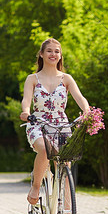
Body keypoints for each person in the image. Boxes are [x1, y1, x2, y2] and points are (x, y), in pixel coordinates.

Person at [20, 38, 89, 205]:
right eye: (49, 51)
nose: (53, 54)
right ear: (41, 54)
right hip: (38, 123)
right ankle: (36, 187)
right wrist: (26, 112)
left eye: (57, 51)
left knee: (65, 170)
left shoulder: (66, 78)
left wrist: (87, 112)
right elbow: (26, 100)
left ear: (60, 56)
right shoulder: (32, 78)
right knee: (44, 149)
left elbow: (80, 98)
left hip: (61, 125)